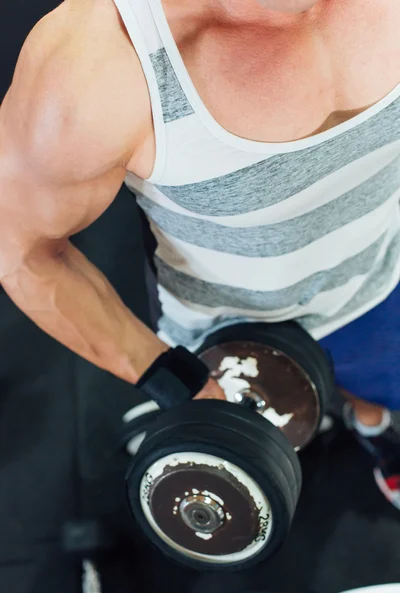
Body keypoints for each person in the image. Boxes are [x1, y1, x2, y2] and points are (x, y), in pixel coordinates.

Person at [0, 0, 399, 508]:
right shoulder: (96, 64)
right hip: (231, 334)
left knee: (379, 391)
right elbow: (24, 253)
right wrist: (176, 382)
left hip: (381, 279)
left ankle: (374, 428)